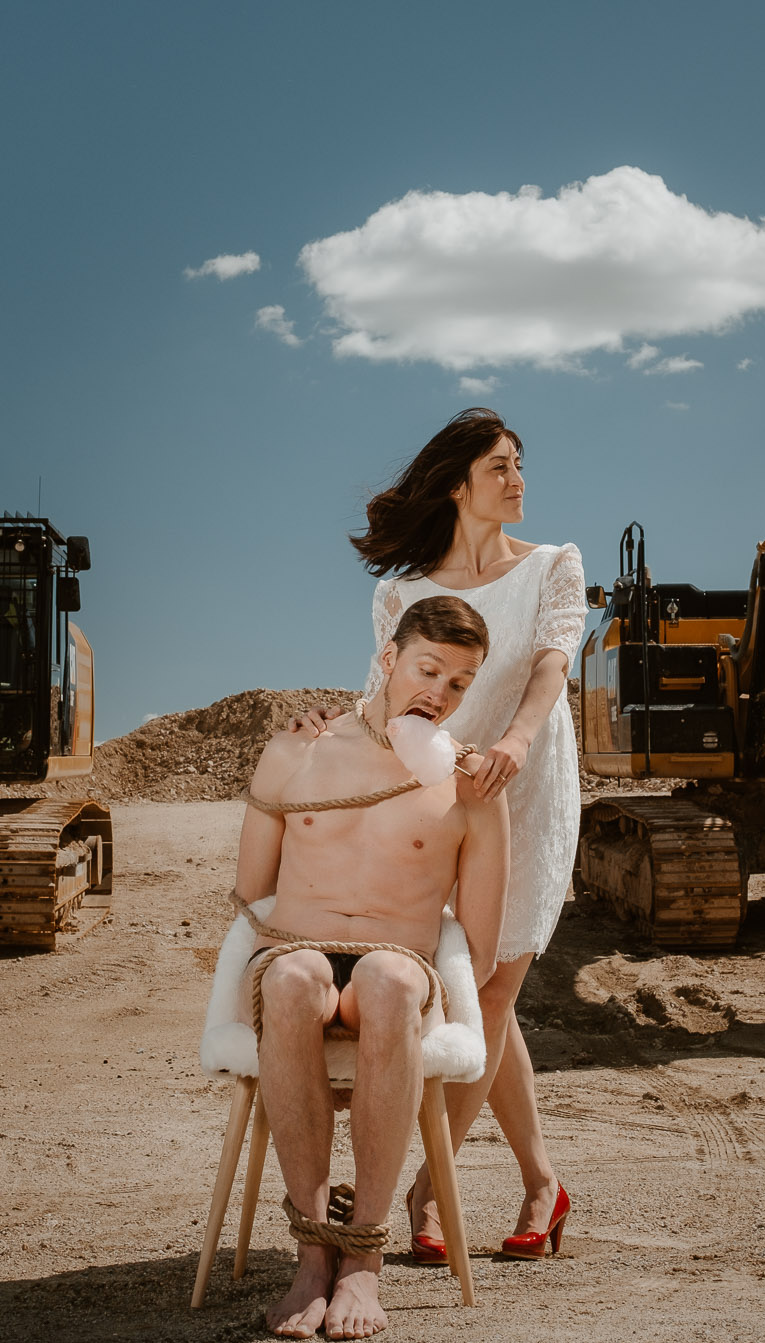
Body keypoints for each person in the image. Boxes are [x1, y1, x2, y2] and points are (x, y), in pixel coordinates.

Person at [293, 406, 583, 1264]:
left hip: (526, 791)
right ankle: (541, 1181)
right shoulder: (401, 592)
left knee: (492, 989)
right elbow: (386, 697)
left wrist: (516, 745)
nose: (518, 477)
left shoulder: (554, 566)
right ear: (458, 484)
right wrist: (329, 734)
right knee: (482, 993)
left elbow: (547, 668)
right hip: (439, 801)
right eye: (500, 465)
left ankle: (428, 1184)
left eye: (521, 462)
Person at [236, 595, 508, 1340]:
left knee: (388, 981)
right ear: (388, 661)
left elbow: (477, 943)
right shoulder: (296, 749)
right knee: (293, 981)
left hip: (400, 960)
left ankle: (363, 1259)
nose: (440, 693)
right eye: (428, 669)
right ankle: (312, 1253)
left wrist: (435, 981)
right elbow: (250, 889)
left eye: (460, 682)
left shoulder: (471, 783)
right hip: (296, 947)